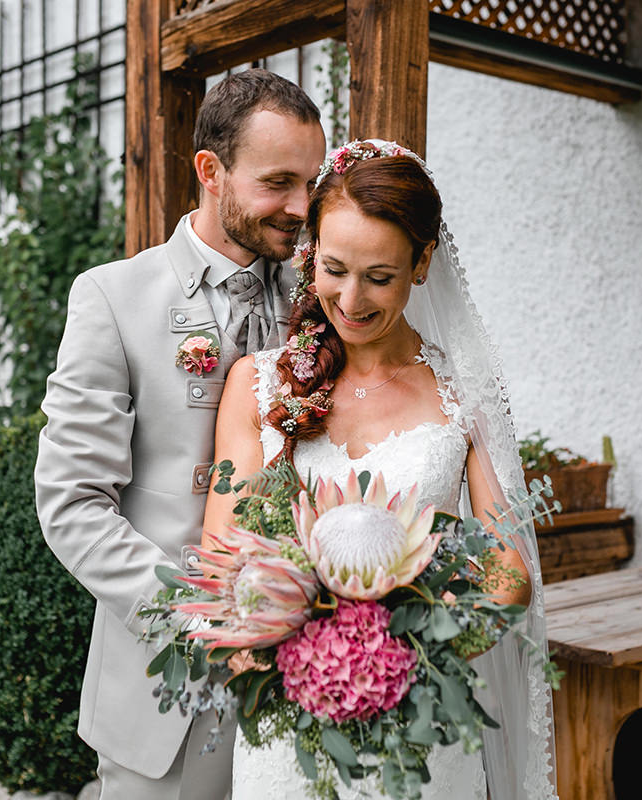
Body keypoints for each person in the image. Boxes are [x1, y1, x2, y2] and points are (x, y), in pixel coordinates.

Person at [203, 141, 559, 799]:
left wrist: (409, 665)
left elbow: (509, 573)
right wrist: (293, 662)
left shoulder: (463, 390)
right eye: (334, 269)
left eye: (380, 276)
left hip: (425, 740)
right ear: (311, 253)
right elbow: (226, 561)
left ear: (422, 264)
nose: (351, 298)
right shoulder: (258, 386)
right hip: (293, 742)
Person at [34, 68, 327, 800]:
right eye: (278, 181)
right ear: (210, 170)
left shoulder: (322, 296)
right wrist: (205, 620)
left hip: (304, 685)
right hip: (165, 692)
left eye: (311, 184)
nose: (300, 208)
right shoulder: (113, 298)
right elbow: (71, 505)